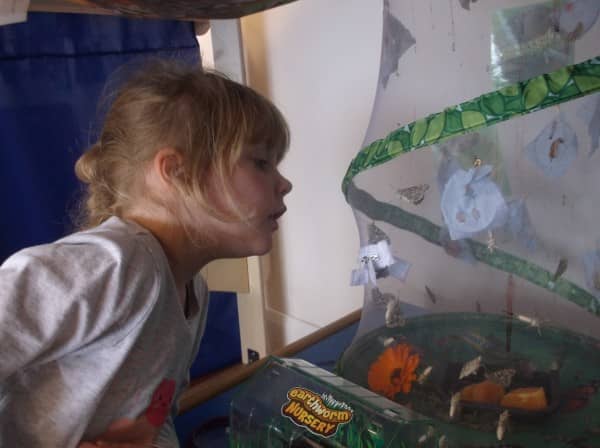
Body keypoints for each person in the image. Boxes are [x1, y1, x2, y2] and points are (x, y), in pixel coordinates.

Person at [0, 58, 292, 448]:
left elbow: (154, 416)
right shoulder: (112, 265)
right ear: (177, 173)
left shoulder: (192, 292)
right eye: (261, 162)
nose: (285, 184)